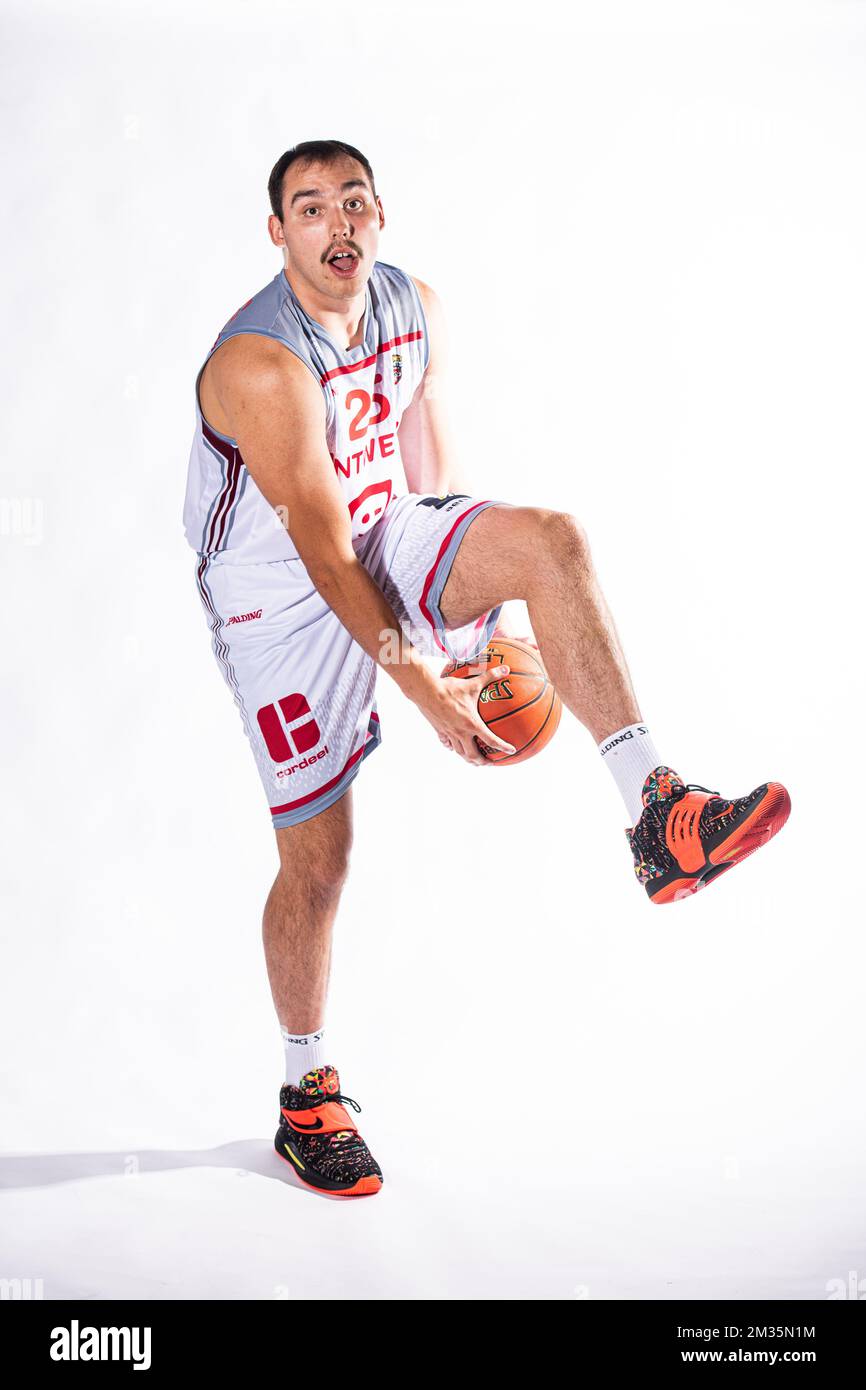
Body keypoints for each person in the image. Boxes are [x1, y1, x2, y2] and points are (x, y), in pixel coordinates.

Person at [182, 139, 790, 1198]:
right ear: (278, 234)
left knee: (550, 541)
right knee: (320, 865)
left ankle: (657, 812)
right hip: (277, 598)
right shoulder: (257, 367)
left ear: (379, 218)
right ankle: (303, 1091)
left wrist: (470, 627)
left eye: (355, 204)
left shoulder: (413, 307)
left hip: (375, 526)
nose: (338, 226)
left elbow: (429, 478)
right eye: (310, 209)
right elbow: (324, 556)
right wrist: (421, 684)